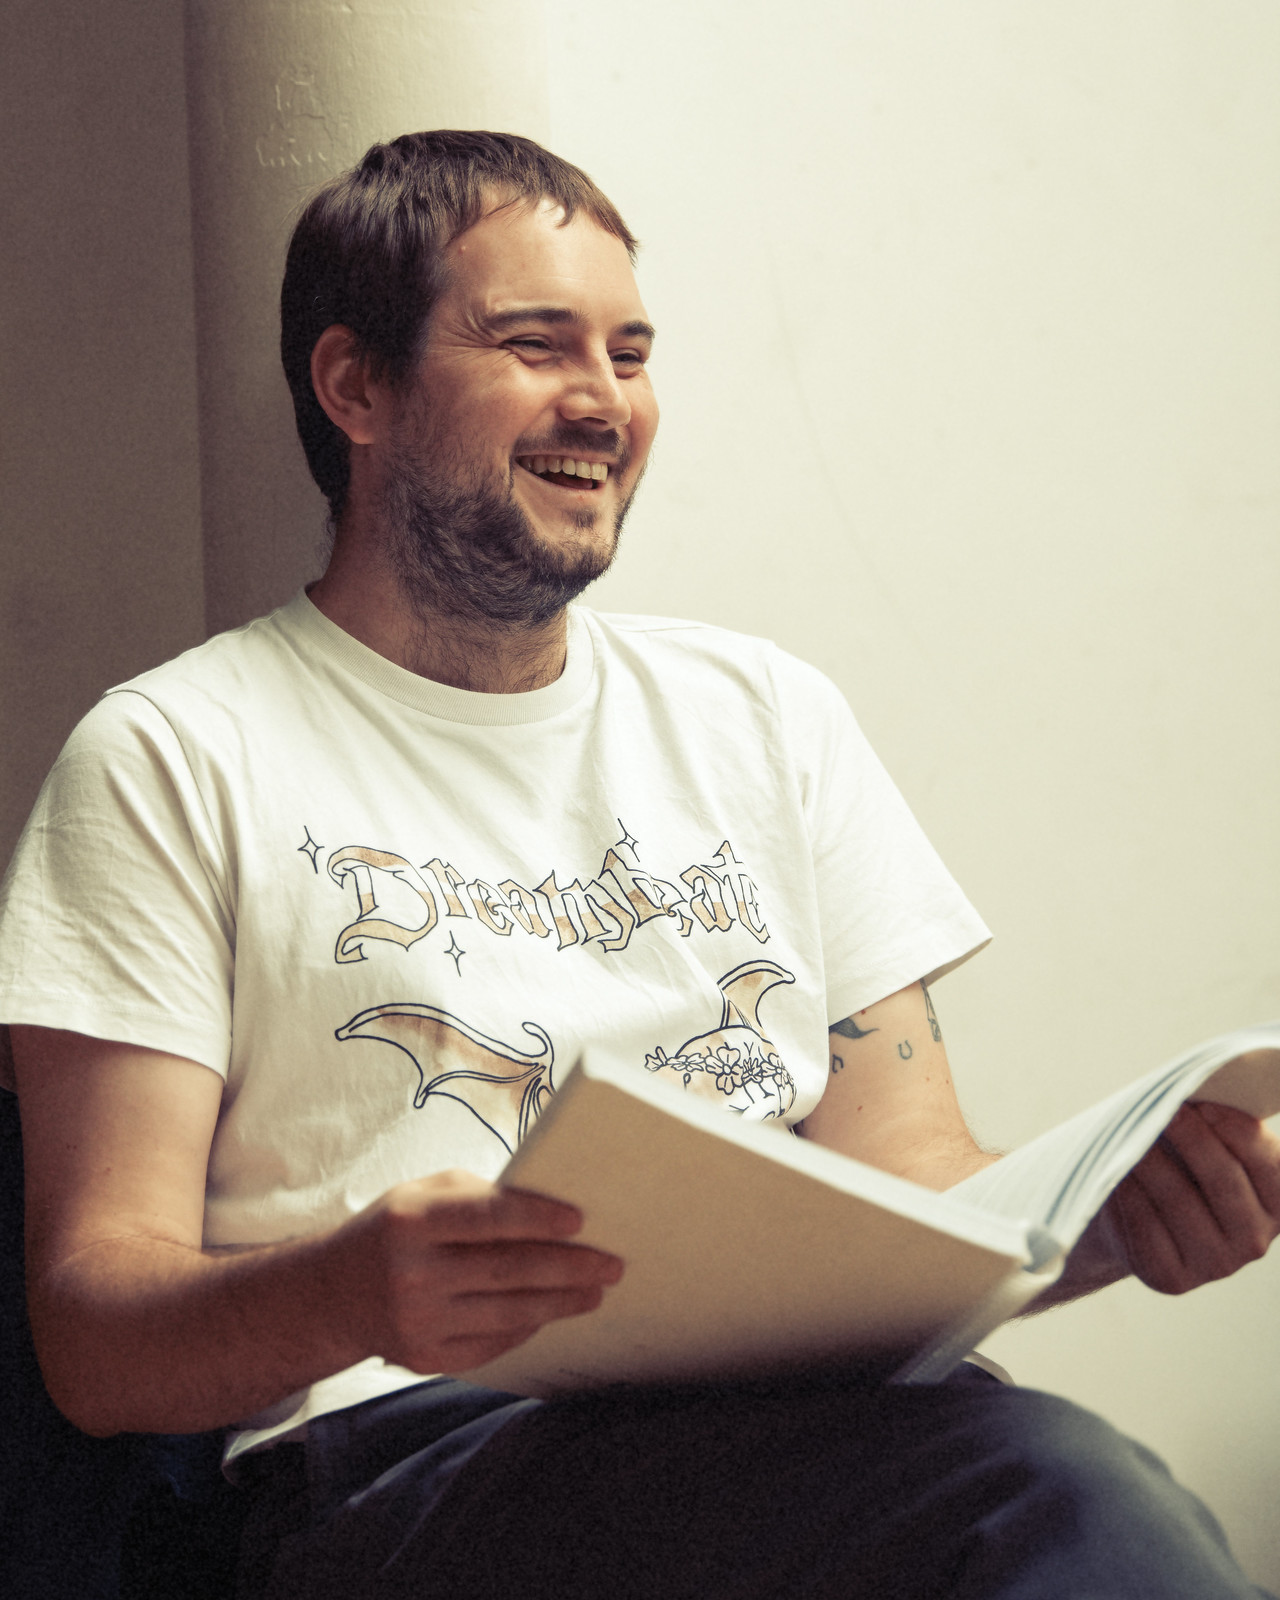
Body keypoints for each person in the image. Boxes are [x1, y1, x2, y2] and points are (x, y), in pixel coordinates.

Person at [1, 130, 1277, 1600]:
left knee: (1043, 1488)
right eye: (535, 344)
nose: (603, 401)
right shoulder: (174, 753)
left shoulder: (765, 717)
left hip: (820, 1434)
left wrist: (1110, 1219)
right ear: (355, 386)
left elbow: (915, 1178)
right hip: (411, 1468)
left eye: (632, 350)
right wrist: (348, 1290)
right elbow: (95, 1336)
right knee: (1048, 1500)